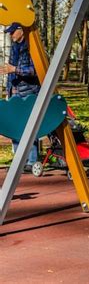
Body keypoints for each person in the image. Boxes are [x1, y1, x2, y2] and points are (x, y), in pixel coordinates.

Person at [0, 22, 41, 172]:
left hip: (29, 92)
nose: (10, 35)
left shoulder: (31, 47)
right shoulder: (14, 48)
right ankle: (19, 161)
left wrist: (15, 69)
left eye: (12, 32)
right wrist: (8, 90)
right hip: (15, 91)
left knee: (29, 127)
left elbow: (35, 71)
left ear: (21, 30)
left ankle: (32, 161)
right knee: (14, 126)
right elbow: (10, 71)